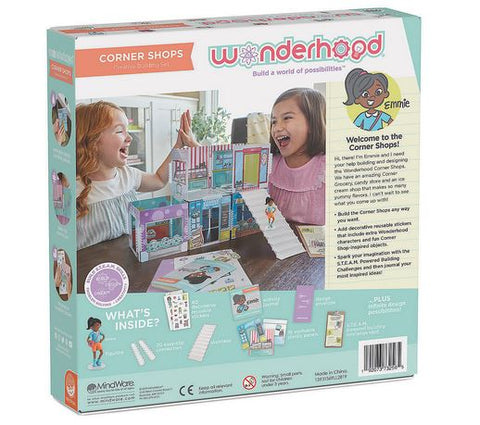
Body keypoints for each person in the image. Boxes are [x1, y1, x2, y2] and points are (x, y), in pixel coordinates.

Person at [76, 101, 200, 249]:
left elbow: (159, 180)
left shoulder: (128, 175)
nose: (130, 138)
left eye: (127, 131)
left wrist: (179, 146)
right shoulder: (71, 189)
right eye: (119, 131)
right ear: (92, 141)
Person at [268, 88, 326, 225]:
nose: (277, 128)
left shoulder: (326, 169)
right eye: (274, 121)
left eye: (287, 118)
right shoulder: (269, 166)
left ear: (312, 123)